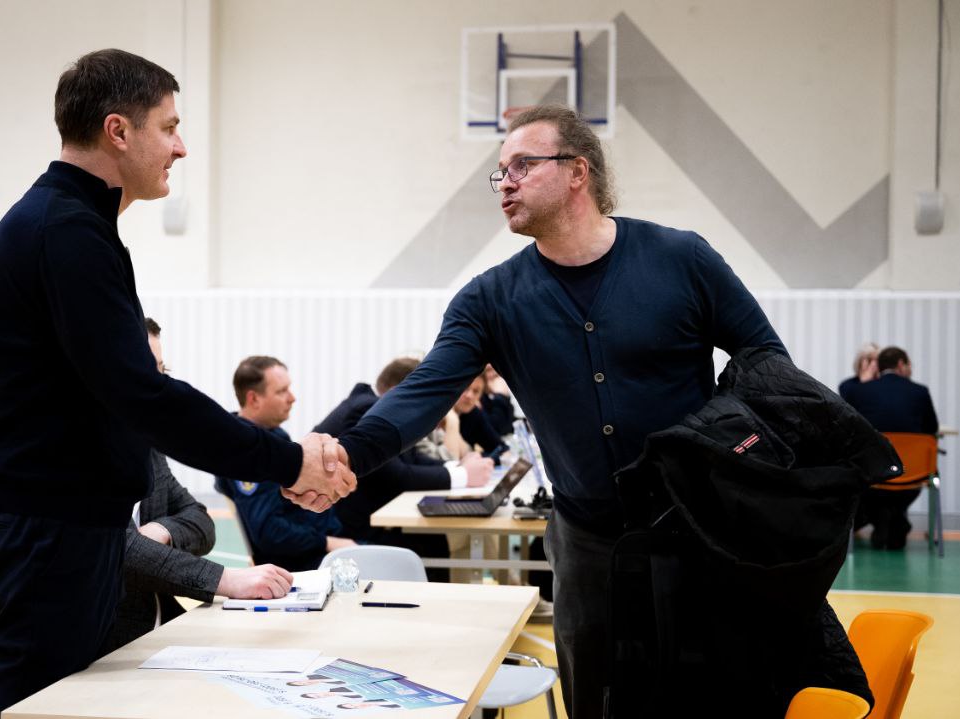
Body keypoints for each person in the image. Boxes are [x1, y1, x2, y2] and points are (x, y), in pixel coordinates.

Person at [335, 104, 788, 718]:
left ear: (578, 171)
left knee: (712, 696)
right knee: (597, 699)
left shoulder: (682, 259)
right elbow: (426, 391)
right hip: (586, 547)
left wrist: (729, 445)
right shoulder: (490, 298)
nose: (506, 183)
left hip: (698, 533)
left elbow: (766, 359)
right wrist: (347, 455)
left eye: (523, 165)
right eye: (501, 172)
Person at [0, 49, 353, 718]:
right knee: (35, 709)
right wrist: (288, 460)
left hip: (72, 533)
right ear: (118, 131)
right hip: (47, 537)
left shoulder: (78, 225)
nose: (181, 147)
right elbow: (145, 397)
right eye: (169, 127)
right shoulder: (64, 231)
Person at [106, 319, 294, 651]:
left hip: (156, 631)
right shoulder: (81, 450)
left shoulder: (147, 449)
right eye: (149, 370)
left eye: (162, 370)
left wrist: (164, 529)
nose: (159, 382)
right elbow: (117, 549)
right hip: (104, 645)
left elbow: (201, 520)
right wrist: (227, 580)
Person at [314, 357, 493, 580]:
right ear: (398, 393)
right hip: (350, 531)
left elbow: (412, 458)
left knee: (434, 539)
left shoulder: (371, 406)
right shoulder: (365, 408)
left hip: (370, 520)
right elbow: (396, 476)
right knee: (432, 542)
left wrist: (458, 466)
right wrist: (463, 475)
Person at [216, 356, 357, 571]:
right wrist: (327, 542)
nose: (292, 398)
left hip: (320, 542)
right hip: (300, 561)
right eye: (281, 391)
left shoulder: (273, 435)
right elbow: (268, 532)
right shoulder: (245, 451)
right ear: (254, 399)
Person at [841, 346, 940, 549]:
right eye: (910, 364)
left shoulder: (859, 391)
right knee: (903, 481)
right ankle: (895, 523)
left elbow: (847, 425)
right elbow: (932, 429)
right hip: (912, 472)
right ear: (901, 364)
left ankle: (885, 522)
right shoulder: (920, 392)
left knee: (869, 479)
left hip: (872, 471)